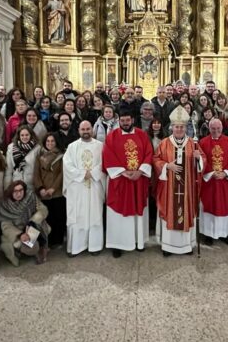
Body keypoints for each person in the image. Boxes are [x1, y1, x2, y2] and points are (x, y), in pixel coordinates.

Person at [153, 106, 205, 256]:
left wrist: (198, 158)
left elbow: (203, 161)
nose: (179, 129)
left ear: (186, 128)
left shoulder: (193, 144)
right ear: (172, 128)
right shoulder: (164, 143)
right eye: (177, 127)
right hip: (169, 188)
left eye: (182, 127)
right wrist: (167, 166)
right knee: (170, 211)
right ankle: (168, 246)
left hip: (187, 189)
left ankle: (186, 246)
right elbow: (155, 159)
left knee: (186, 212)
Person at [102, 112, 153, 257]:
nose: (125, 122)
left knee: (138, 211)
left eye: (127, 119)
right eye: (122, 120)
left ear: (132, 119)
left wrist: (141, 171)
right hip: (120, 182)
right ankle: (117, 244)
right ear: (119, 121)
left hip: (138, 181)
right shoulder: (112, 136)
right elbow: (107, 155)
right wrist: (123, 172)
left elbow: (149, 153)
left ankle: (138, 241)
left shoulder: (142, 135)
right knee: (118, 215)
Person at [63, 121, 105, 256]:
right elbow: (67, 165)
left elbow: (104, 163)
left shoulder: (100, 146)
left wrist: (92, 173)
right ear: (79, 130)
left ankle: (95, 246)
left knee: (95, 215)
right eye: (83, 129)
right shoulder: (72, 146)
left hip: (95, 185)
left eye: (88, 128)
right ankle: (76, 246)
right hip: (77, 187)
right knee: (77, 215)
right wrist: (82, 174)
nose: (85, 131)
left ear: (92, 129)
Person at [199, 118, 228, 246]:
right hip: (209, 182)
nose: (216, 131)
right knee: (209, 207)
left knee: (223, 207)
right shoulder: (203, 142)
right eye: (213, 128)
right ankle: (208, 234)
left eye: (218, 128)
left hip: (224, 182)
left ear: (222, 128)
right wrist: (211, 173)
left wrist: (225, 173)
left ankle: (224, 234)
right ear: (209, 128)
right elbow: (202, 161)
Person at [0, 181, 50, 266]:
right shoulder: (6, 203)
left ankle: (41, 247)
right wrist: (20, 235)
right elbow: (5, 225)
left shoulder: (30, 196)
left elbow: (43, 209)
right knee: (25, 246)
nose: (19, 194)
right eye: (15, 191)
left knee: (42, 228)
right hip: (17, 231)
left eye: (21, 190)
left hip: (31, 227)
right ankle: (17, 251)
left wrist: (33, 220)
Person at [33, 134, 66, 247]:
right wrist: (41, 188)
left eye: (52, 141)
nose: (50, 143)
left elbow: (62, 174)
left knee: (59, 217)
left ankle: (59, 240)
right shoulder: (39, 156)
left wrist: (53, 188)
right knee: (47, 218)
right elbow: (36, 174)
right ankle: (49, 241)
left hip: (56, 192)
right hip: (44, 192)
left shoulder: (61, 156)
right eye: (48, 141)